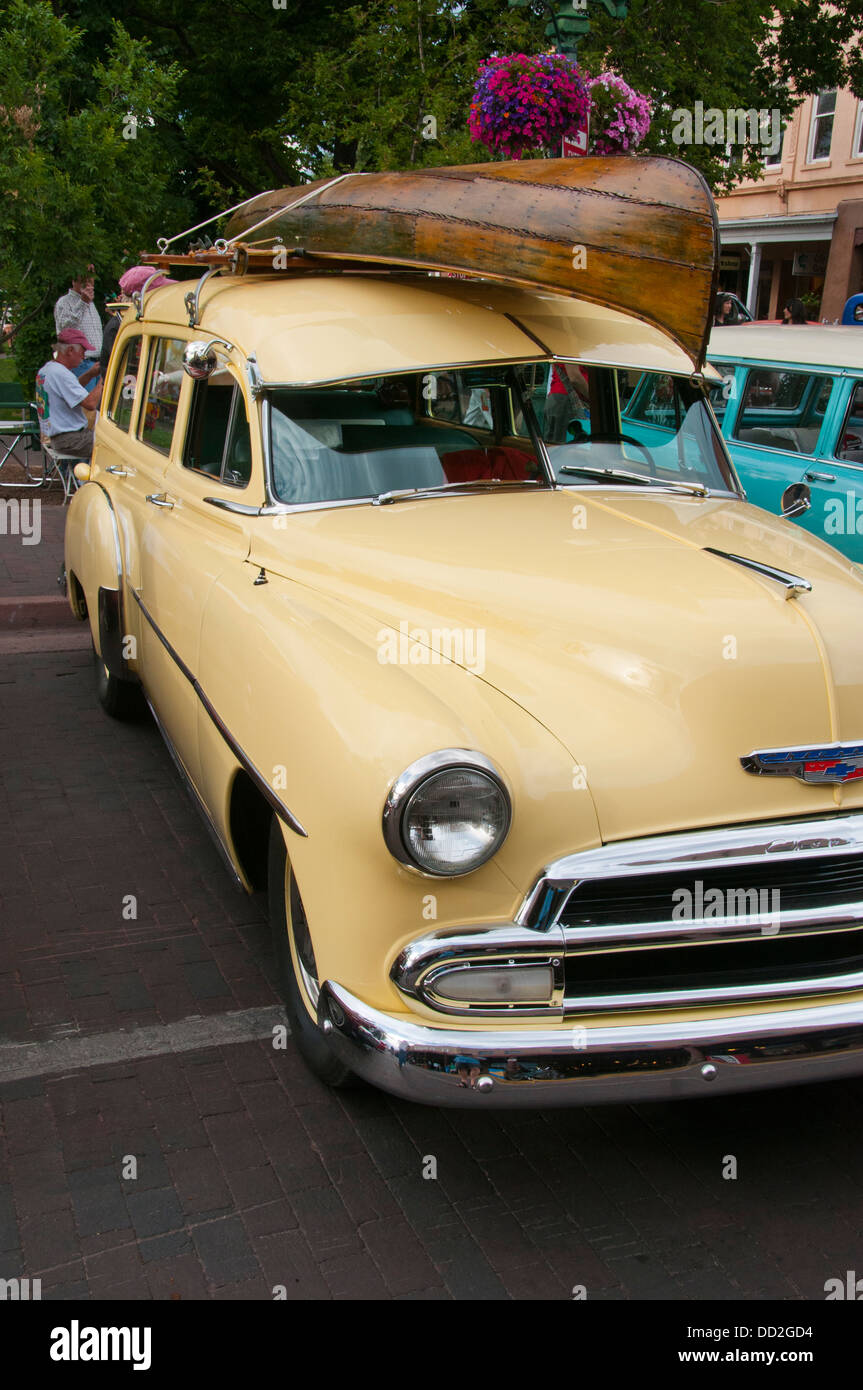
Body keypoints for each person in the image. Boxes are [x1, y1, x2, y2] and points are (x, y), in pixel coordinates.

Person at [35, 328, 103, 459]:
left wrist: (90, 374)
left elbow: (68, 391)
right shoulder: (61, 374)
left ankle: (84, 479)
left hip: (58, 438)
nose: (84, 357)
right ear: (70, 351)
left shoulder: (47, 369)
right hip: (70, 440)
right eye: (82, 352)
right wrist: (106, 377)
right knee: (116, 446)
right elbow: (91, 404)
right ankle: (88, 479)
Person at [99, 265, 175, 376]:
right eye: (158, 292)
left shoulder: (137, 322)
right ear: (139, 298)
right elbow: (128, 370)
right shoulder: (122, 326)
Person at [54, 266, 103, 376]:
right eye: (84, 276)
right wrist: (83, 302)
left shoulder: (91, 303)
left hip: (98, 362)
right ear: (74, 280)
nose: (88, 280)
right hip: (81, 363)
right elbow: (66, 329)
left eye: (91, 275)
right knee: (84, 394)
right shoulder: (64, 302)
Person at [544, 362, 589, 443]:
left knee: (556, 445)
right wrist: (593, 399)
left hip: (561, 399)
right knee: (563, 448)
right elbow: (575, 378)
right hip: (566, 401)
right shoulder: (571, 350)